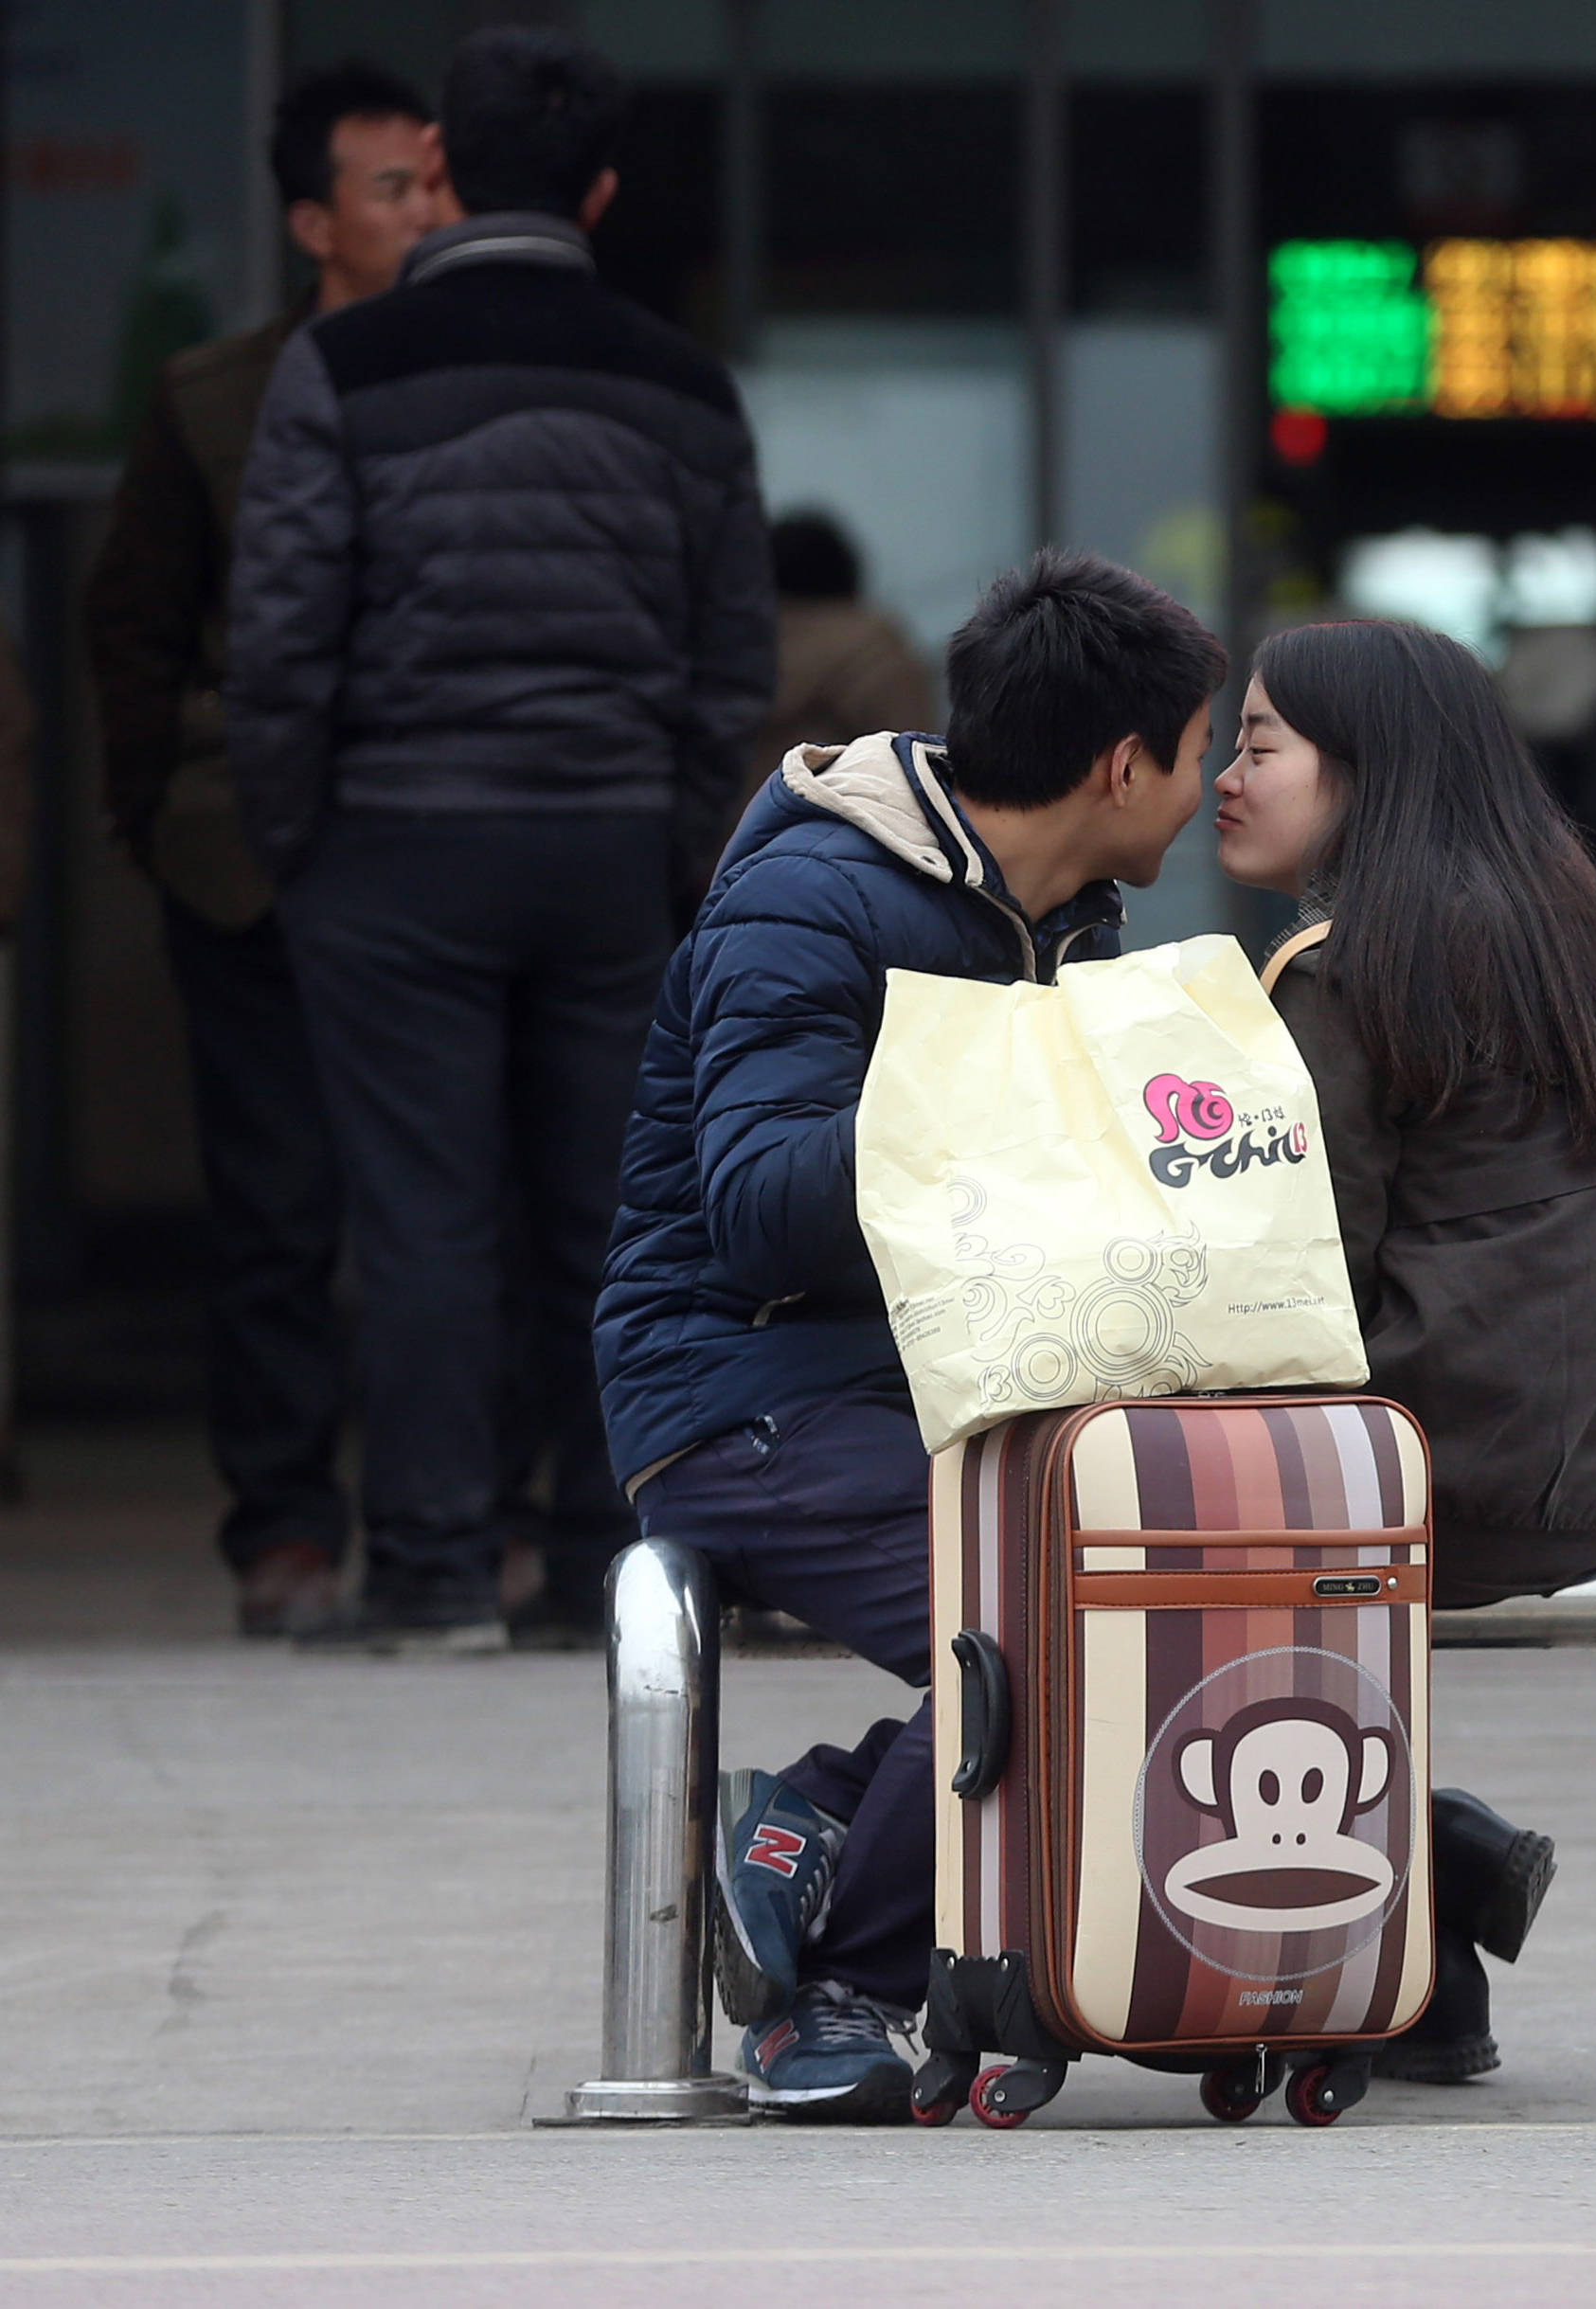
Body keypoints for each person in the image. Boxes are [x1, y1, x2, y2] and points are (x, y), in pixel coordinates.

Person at [596, 548, 1224, 2122]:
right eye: (1203, 749)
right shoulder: (814, 895)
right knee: (1054, 1628)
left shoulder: (1060, 917)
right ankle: (837, 1978)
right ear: (1118, 762)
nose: (1209, 786)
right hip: (745, 1391)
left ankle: (811, 1810)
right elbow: (759, 1206)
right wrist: (1014, 1094)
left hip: (929, 1389)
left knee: (1173, 1578)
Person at [227, 27, 775, 1650]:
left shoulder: (339, 372)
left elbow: (277, 640)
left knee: (419, 1219)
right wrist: (677, 844)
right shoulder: (683, 387)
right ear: (598, 190)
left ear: (447, 173)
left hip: (391, 851)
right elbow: (728, 656)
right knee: (607, 1221)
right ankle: (606, 1565)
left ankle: (436, 1571)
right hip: (610, 849)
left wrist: (295, 841)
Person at [1213, 617, 1596, 2081]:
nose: (1220, 777)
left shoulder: (1347, 963)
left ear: (1364, 772)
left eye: (1255, 745)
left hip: (1460, 1479)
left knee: (1157, 1529)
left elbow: (1293, 1281)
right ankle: (1436, 1951)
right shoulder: (1555, 918)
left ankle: (1420, 1892)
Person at [83, 62, 448, 1638]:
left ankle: (460, 1524)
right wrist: (161, 823)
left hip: (433, 848)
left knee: (450, 1205)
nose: (425, 214)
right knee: (276, 1209)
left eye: (435, 186)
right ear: (311, 221)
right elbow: (136, 627)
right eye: (390, 191)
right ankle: (287, 1533)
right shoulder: (212, 395)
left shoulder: (474, 376)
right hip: (250, 866)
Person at [746, 511, 937, 806]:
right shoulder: (876, 656)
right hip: (849, 841)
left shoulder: (722, 660)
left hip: (734, 845)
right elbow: (921, 779)